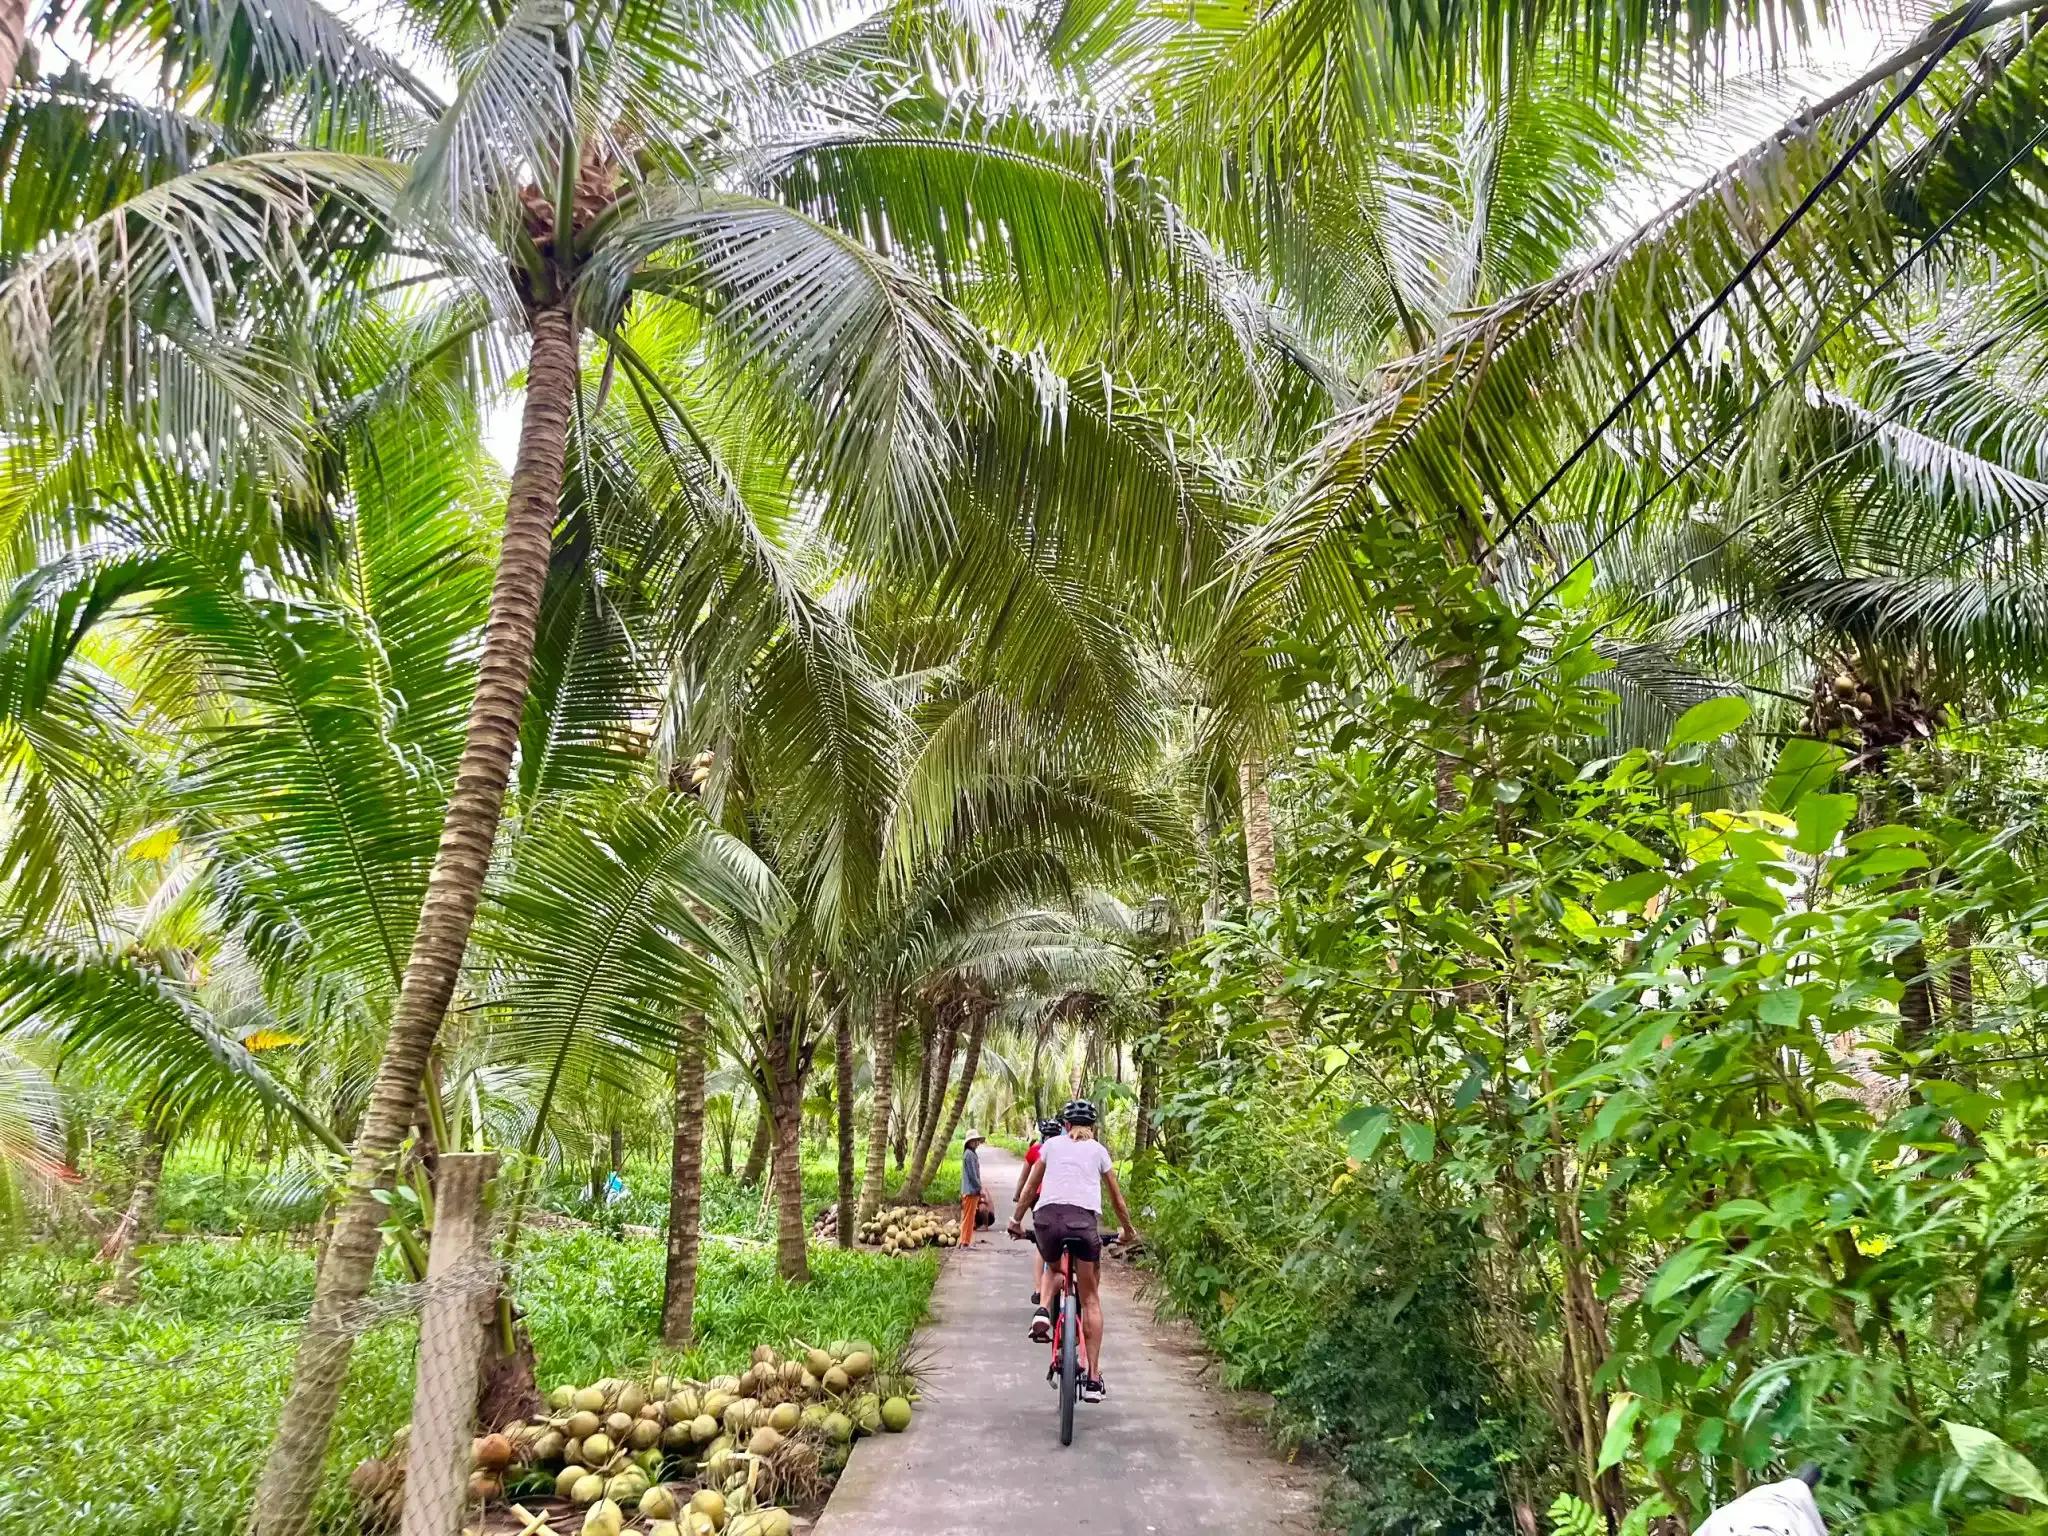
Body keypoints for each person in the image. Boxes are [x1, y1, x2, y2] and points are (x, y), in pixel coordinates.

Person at [1007, 1100, 1138, 1404]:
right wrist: (1128, 1231)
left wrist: (1016, 1221)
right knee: (1090, 1298)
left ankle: (1043, 1310)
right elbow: (1117, 1200)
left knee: (1054, 1269)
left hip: (1048, 1220)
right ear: (1093, 1128)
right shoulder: (1099, 1151)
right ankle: (1093, 1377)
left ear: (1065, 1126)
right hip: (1083, 1223)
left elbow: (1029, 1188)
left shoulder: (1050, 1146)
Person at [1023, 1117, 1062, 1306]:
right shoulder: (1067, 1149)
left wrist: (1018, 1197)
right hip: (1065, 1204)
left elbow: (1026, 1179)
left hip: (1039, 1199)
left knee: (1042, 1244)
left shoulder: (1038, 1149)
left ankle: (1039, 1288)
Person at [959, 1130, 986, 1247]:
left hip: (971, 1190)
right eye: (974, 1141)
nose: (976, 1143)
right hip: (970, 1191)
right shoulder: (969, 1155)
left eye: (977, 1140)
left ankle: (966, 1240)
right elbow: (972, 1175)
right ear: (969, 1142)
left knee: (970, 1217)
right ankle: (964, 1241)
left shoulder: (971, 1154)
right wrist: (980, 1188)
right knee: (968, 1218)